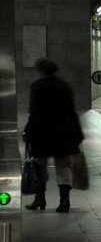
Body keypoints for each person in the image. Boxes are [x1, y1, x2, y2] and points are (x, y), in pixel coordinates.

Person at [23, 58, 84, 212]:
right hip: (63, 133)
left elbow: (34, 113)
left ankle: (39, 200)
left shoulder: (37, 86)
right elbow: (72, 112)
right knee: (63, 167)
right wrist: (78, 134)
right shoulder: (65, 86)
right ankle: (64, 202)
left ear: (41, 71)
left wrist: (27, 132)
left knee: (39, 167)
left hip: (41, 133)